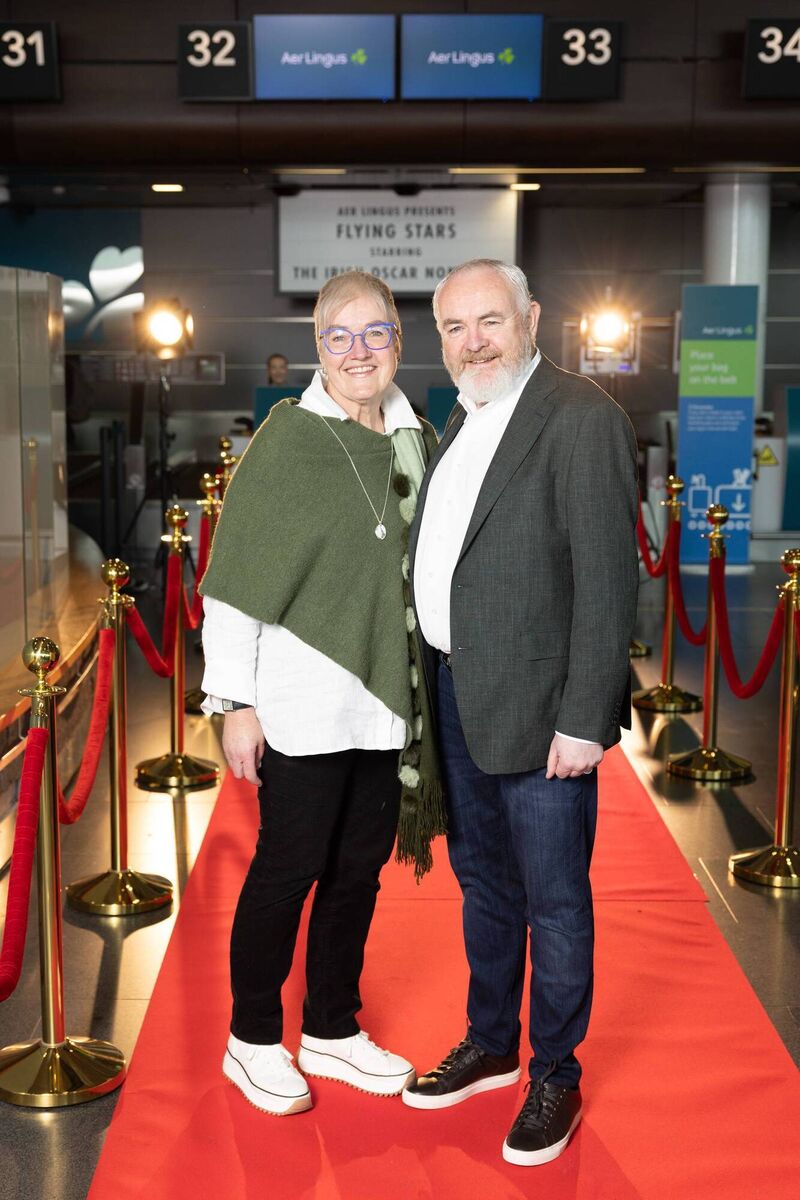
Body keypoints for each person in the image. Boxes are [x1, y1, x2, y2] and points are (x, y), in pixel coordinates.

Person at [402, 260, 638, 1167]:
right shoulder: (464, 412)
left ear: (531, 316)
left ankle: (554, 1073)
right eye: (455, 327)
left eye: (490, 321)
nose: (473, 342)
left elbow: (609, 586)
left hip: (545, 716)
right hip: (459, 695)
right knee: (485, 884)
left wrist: (585, 719)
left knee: (555, 900)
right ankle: (492, 1040)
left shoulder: (582, 418)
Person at [200, 270, 444, 1116]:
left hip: (387, 704)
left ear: (398, 344)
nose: (357, 351)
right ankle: (253, 1038)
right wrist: (234, 700)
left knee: (358, 871)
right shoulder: (290, 438)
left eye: (374, 333)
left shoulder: (418, 437)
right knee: (288, 868)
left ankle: (332, 1028)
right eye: (338, 336)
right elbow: (233, 584)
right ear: (317, 347)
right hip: (299, 697)